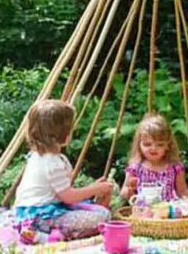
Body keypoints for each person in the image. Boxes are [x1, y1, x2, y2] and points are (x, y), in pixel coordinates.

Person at [13, 99, 113, 244]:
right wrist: (94, 189)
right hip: (43, 217)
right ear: (65, 135)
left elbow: (61, 191)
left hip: (29, 212)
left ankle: (48, 233)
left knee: (95, 210)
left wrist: (93, 188)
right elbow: (68, 197)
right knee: (103, 216)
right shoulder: (53, 163)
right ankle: (47, 237)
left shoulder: (39, 156)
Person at [120, 113, 188, 202]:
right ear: (139, 145)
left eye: (160, 145)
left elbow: (183, 192)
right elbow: (124, 193)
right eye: (147, 144)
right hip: (143, 212)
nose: (153, 148)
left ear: (168, 145)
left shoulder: (175, 167)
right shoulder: (135, 168)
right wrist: (128, 190)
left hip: (168, 211)